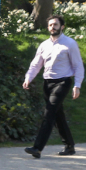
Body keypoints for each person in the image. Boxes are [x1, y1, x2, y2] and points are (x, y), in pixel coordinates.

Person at [23, 15, 83, 158]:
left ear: (62, 27)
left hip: (63, 82)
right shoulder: (44, 45)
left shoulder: (70, 43)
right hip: (47, 83)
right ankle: (69, 146)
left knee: (49, 113)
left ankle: (37, 148)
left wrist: (77, 85)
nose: (52, 27)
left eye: (55, 24)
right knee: (58, 115)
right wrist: (28, 78)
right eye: (50, 25)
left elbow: (78, 66)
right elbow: (36, 64)